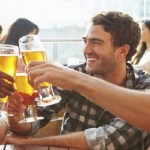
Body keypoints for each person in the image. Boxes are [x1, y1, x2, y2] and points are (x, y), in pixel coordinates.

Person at [6, 11, 150, 149]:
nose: (86, 50)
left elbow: (107, 141)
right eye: (85, 41)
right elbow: (31, 123)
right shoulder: (75, 72)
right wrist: (16, 115)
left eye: (96, 42)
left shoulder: (144, 86)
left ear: (123, 51)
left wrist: (32, 142)